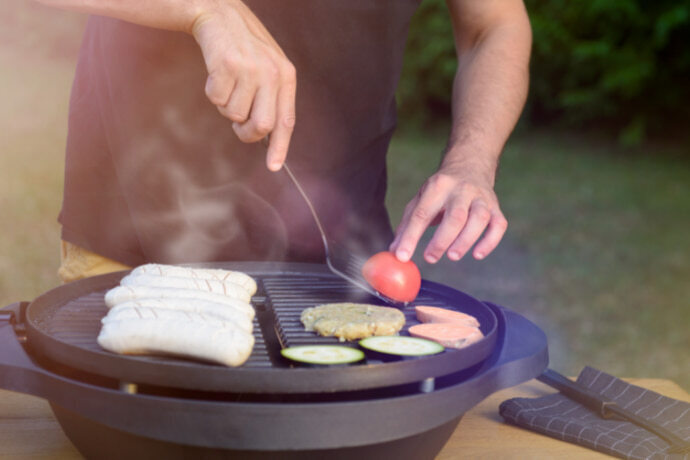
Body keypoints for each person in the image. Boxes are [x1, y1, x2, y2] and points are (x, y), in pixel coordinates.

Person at [35, 0, 532, 282]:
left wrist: (472, 159)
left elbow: (494, 25)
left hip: (344, 261)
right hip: (132, 241)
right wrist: (205, 9)